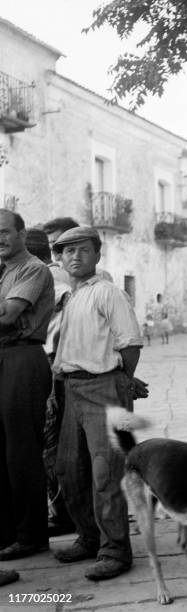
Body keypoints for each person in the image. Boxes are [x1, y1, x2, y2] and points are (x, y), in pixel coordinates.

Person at [51, 227, 144, 581]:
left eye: (82, 250)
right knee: (68, 469)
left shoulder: (107, 292)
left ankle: (116, 550)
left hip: (103, 388)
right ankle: (89, 538)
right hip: (72, 389)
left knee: (106, 471)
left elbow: (130, 344)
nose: (75, 257)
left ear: (97, 255)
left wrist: (121, 383)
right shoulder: (71, 298)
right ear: (59, 259)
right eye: (67, 251)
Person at [0, 210, 54, 562]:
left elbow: (7, 317)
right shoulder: (4, 272)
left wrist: (5, 311)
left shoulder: (33, 268)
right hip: (4, 356)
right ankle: (8, 533)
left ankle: (33, 535)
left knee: (22, 451)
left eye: (5, 232)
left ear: (21, 233)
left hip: (22, 358)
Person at [25, 229, 75, 538]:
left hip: (53, 367)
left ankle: (63, 512)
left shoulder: (50, 280)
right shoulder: (60, 277)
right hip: (62, 366)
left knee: (51, 444)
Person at [42, 217, 113, 282]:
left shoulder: (101, 276)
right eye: (49, 243)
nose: (52, 248)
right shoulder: (50, 274)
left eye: (56, 242)